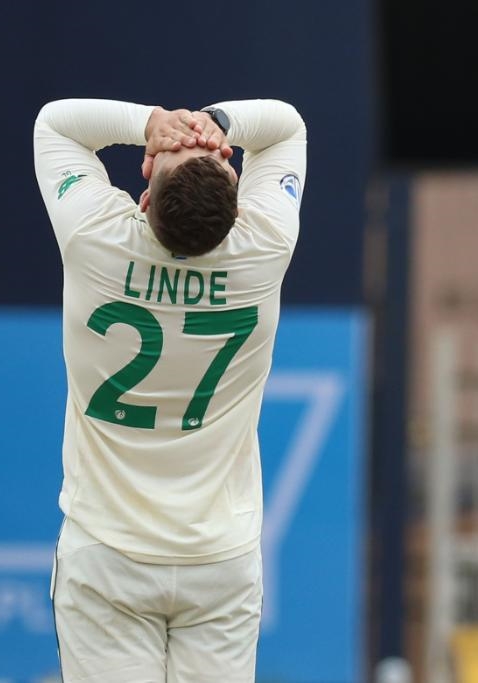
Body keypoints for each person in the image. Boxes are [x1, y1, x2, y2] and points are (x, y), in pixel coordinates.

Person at [33, 97, 307, 681]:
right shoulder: (264, 248)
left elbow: (55, 123)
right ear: (238, 209)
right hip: (220, 559)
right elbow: (286, 127)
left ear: (145, 198)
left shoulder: (93, 238)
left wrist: (150, 124)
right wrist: (219, 123)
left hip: (108, 552)